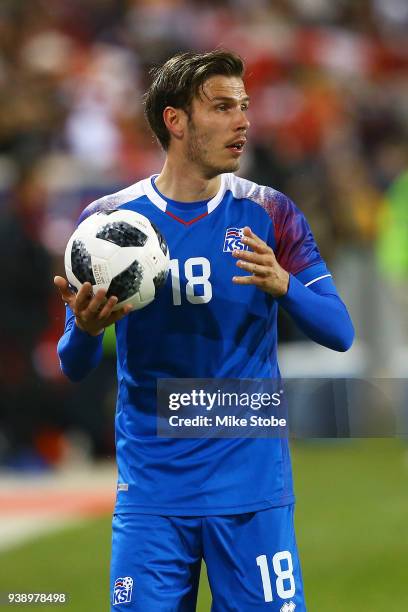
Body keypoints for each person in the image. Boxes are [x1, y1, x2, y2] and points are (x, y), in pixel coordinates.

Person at [55, 50, 354, 612]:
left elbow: (340, 331)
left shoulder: (272, 213)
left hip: (250, 492)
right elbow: (72, 362)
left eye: (244, 106)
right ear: (176, 121)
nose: (242, 121)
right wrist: (89, 330)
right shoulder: (106, 224)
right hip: (152, 495)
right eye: (221, 107)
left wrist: (285, 285)